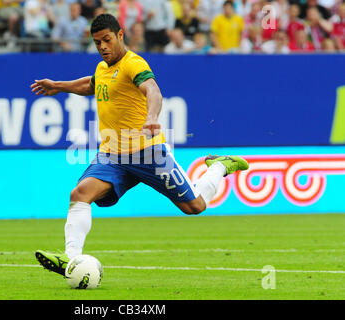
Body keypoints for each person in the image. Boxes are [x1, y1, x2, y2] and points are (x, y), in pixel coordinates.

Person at [30, 13, 249, 277]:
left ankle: (219, 167)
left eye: (107, 40)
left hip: (148, 153)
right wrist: (59, 86)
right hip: (112, 155)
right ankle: (71, 258)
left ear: (120, 35)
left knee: (195, 207)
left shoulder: (134, 64)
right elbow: (92, 84)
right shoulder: (102, 68)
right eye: (97, 42)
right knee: (79, 194)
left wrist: (152, 117)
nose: (102, 47)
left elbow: (152, 90)